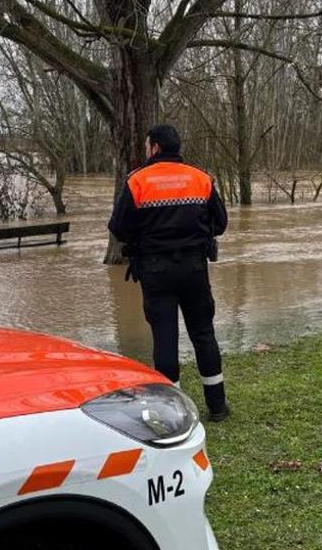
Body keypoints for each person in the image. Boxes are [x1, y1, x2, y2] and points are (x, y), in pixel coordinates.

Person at [108, 124, 230, 421]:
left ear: (156, 148)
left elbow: (118, 228)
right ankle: (217, 406)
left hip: (155, 270)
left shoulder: (137, 181)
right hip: (194, 268)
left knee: (165, 338)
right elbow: (221, 223)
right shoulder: (201, 179)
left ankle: (172, 414)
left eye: (147, 145)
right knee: (203, 334)